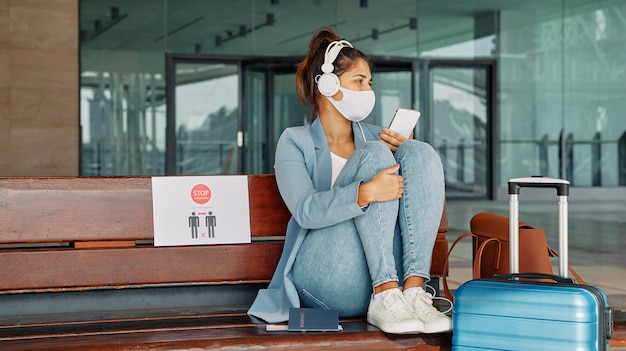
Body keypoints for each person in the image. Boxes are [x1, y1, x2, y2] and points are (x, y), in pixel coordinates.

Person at [248, 27, 451, 334]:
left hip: (381, 278)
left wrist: (405, 151)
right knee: (374, 155)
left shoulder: (378, 137)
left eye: (369, 83)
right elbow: (305, 210)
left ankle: (413, 291)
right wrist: (365, 193)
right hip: (325, 277)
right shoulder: (295, 140)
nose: (367, 90)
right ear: (327, 84)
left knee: (418, 151)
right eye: (359, 81)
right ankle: (385, 292)